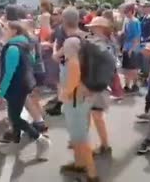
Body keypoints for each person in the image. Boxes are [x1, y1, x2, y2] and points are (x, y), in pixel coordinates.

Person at [0, 21, 51, 159]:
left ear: (14, 31)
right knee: (14, 116)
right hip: (24, 84)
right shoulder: (25, 44)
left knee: (14, 118)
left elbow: (9, 73)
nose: (3, 31)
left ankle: (41, 139)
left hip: (16, 87)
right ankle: (15, 144)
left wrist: (0, 93)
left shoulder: (13, 48)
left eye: (6, 28)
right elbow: (29, 63)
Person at [59, 25, 99, 182]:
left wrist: (64, 94)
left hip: (75, 102)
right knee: (78, 137)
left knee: (81, 138)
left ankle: (92, 174)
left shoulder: (73, 61)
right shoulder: (82, 59)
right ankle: (80, 164)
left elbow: (73, 81)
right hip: (80, 101)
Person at [85, 17, 114, 156]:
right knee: (93, 114)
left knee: (96, 115)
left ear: (100, 28)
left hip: (97, 85)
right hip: (98, 84)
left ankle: (105, 145)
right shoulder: (105, 43)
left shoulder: (101, 45)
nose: (90, 29)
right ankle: (103, 144)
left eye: (93, 27)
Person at [121, 3, 141, 93]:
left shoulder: (135, 21)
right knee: (126, 68)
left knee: (133, 69)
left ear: (132, 11)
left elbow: (137, 37)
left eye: (127, 12)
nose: (126, 14)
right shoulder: (127, 21)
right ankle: (126, 85)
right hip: (127, 46)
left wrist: (132, 49)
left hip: (133, 48)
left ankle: (135, 85)